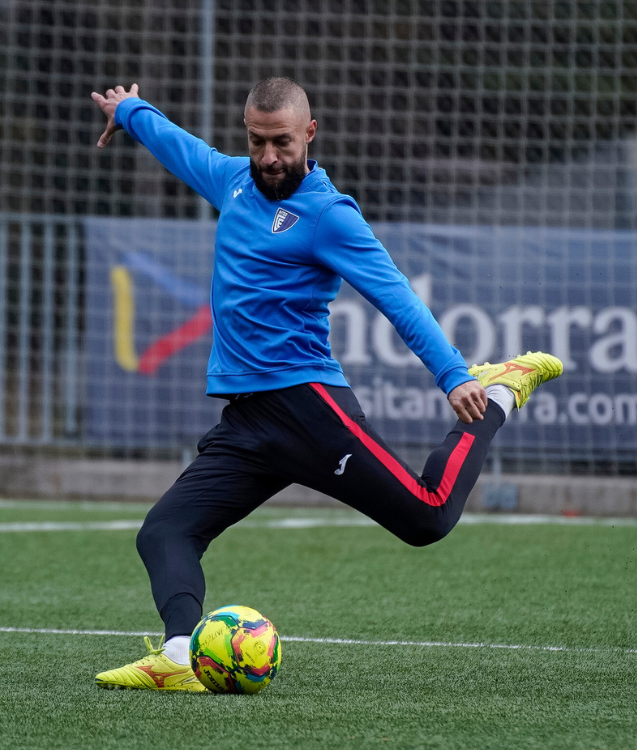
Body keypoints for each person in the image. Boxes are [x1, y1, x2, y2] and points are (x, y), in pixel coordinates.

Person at [90, 78, 562, 692]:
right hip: (248, 422)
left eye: (281, 143)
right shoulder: (235, 181)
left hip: (307, 408)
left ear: (309, 134)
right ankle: (181, 656)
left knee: (427, 518)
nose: (268, 158)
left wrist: (452, 374)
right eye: (257, 142)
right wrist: (129, 111)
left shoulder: (327, 214)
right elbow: (181, 147)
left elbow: (394, 295)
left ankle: (497, 391)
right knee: (164, 532)